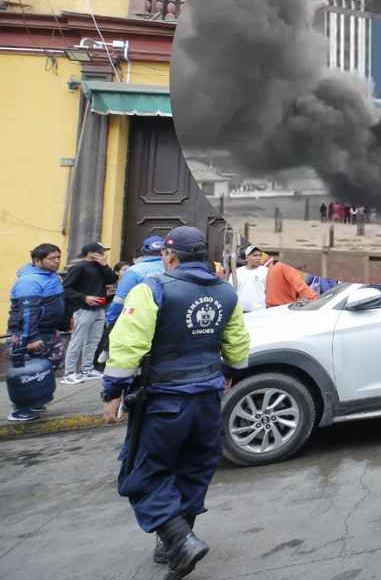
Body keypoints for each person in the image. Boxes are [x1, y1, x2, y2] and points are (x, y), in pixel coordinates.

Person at [101, 225, 250, 580]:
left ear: (170, 255)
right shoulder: (227, 293)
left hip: (164, 401)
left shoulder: (151, 288)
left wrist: (112, 392)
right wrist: (230, 372)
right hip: (207, 401)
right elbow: (239, 346)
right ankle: (173, 545)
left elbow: (126, 346)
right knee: (194, 469)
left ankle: (180, 541)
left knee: (144, 474)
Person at [6, 243, 66, 422]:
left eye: (58, 257)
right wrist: (31, 338)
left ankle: (35, 401)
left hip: (48, 332)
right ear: (37, 261)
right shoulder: (29, 281)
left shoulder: (52, 276)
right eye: (51, 259)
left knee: (48, 367)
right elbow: (27, 312)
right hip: (30, 334)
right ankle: (20, 409)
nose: (56, 262)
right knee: (28, 373)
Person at [61, 240, 118, 384]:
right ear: (90, 254)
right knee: (77, 340)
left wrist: (105, 265)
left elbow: (112, 279)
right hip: (83, 309)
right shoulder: (79, 267)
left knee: (93, 340)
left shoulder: (100, 267)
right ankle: (69, 372)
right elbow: (66, 288)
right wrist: (84, 298)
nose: (103, 255)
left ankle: (87, 369)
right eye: (100, 253)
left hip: (99, 308)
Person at [229, 245, 268, 313]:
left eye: (260, 255)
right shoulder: (236, 273)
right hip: (240, 312)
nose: (258, 258)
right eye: (255, 255)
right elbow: (230, 292)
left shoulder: (266, 272)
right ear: (247, 257)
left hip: (260, 311)